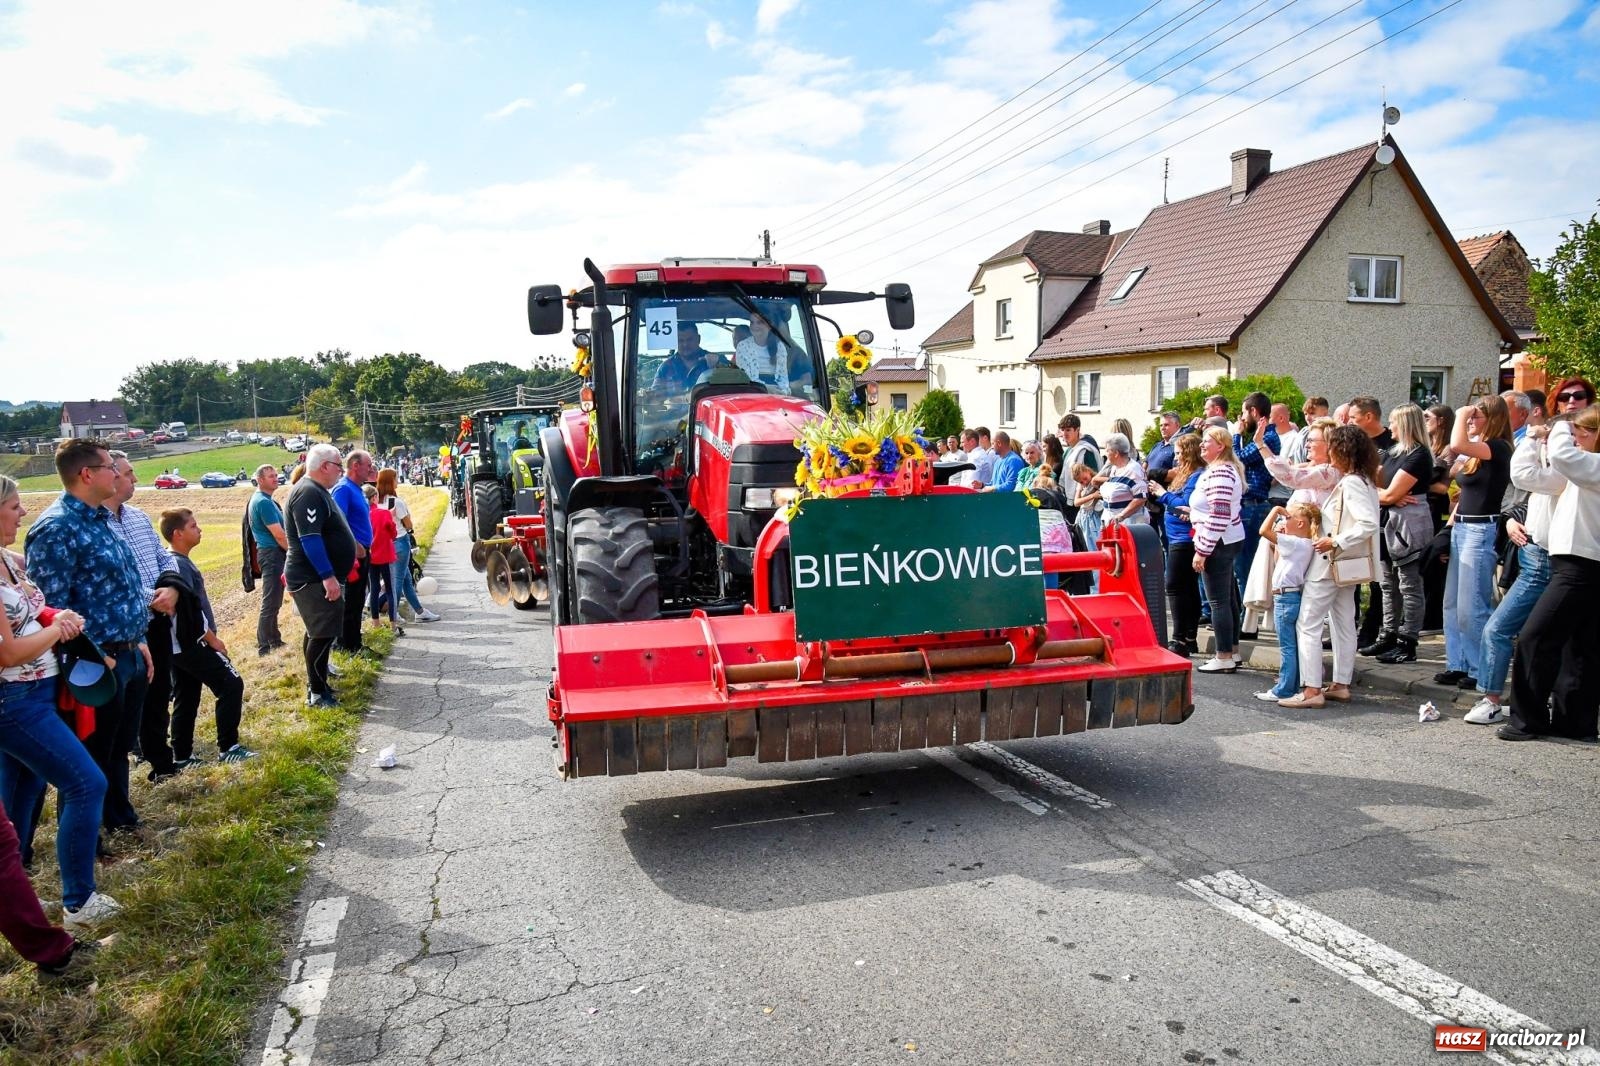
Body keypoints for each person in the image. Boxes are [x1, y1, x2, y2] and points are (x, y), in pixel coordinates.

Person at [0, 475, 119, 935]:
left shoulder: (12, 561)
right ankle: (79, 901)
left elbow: (32, 610)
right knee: (86, 783)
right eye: (13, 506)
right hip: (15, 700)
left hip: (39, 692)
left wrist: (55, 616)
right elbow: (8, 653)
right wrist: (58, 630)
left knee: (22, 796)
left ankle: (18, 891)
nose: (22, 514)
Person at [23, 439, 154, 840]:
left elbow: (126, 587)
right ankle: (87, 841)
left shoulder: (100, 519)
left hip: (128, 651)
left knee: (118, 747)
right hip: (95, 665)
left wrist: (140, 638)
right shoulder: (56, 529)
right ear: (87, 475)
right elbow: (49, 610)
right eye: (109, 467)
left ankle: (120, 818)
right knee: (89, 759)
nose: (117, 474)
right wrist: (95, 658)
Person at [1501, 406, 1600, 742]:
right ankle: (1575, 723)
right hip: (1572, 564)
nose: (1576, 436)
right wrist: (1530, 440)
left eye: (1583, 431)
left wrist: (1557, 429)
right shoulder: (1583, 468)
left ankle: (1527, 721)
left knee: (1535, 637)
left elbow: (1563, 455)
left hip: (1583, 565)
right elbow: (1526, 477)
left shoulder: (1592, 465)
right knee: (1580, 646)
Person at [1464, 411, 1569, 725]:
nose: (1545, 440)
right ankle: (1519, 700)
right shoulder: (1549, 464)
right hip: (1530, 554)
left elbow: (1523, 475)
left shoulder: (1569, 468)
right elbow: (1515, 497)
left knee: (1499, 629)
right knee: (1531, 636)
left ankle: (1492, 698)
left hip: (1547, 562)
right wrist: (1510, 520)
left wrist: (1533, 440)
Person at [1279, 426, 1380, 709]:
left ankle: (1312, 690)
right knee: (1343, 622)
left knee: (1308, 623)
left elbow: (1368, 523)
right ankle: (1340, 683)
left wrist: (1335, 540)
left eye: (1334, 446)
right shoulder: (1365, 480)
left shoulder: (1351, 483)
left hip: (1330, 561)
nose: (1330, 451)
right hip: (1345, 565)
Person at [103, 452, 184, 783]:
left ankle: (161, 761)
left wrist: (172, 589)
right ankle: (135, 753)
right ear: (110, 477)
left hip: (159, 620)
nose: (135, 479)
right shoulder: (97, 526)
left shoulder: (137, 517)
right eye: (128, 473)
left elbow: (165, 558)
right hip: (129, 626)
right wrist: (154, 599)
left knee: (160, 690)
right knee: (133, 698)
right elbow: (112, 582)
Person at [158, 510, 253, 763]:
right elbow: (188, 612)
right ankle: (228, 748)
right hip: (191, 643)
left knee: (187, 696)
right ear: (177, 534)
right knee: (231, 684)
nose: (200, 530)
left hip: (179, 647)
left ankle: (182, 756)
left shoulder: (177, 561)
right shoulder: (178, 564)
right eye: (193, 526)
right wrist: (212, 640)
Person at [1434, 395, 1514, 690]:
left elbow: (1456, 445)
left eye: (1477, 416)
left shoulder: (1498, 448)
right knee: (1452, 602)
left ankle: (1481, 668)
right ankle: (1458, 663)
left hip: (1481, 530)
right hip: (1462, 527)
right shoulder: (1479, 451)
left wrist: (1461, 414)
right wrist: (1447, 531)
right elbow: (1452, 465)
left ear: (1493, 418)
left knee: (1472, 605)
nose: (1470, 420)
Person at [286, 444, 359, 708]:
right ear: (325, 466)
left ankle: (319, 684)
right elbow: (310, 539)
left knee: (319, 632)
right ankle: (316, 693)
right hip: (312, 577)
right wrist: (328, 576)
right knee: (321, 635)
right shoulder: (307, 493)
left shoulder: (317, 491)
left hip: (317, 576)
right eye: (339, 466)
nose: (341, 471)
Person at [1362, 404, 1433, 664]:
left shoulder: (1418, 455)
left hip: (1407, 527)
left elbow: (1387, 493)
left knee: (1409, 584)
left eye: (1393, 422)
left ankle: (1408, 641)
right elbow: (1372, 486)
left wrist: (1386, 497)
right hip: (1387, 523)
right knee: (1387, 584)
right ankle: (1388, 634)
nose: (1389, 427)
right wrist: (1387, 498)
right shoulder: (1393, 452)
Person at [1254, 501, 1321, 703]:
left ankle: (1283, 689)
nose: (1284, 520)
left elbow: (1263, 530)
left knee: (1287, 646)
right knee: (1290, 645)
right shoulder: (1301, 543)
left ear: (1300, 523)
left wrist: (1275, 511)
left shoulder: (1296, 543)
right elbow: (1277, 558)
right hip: (1288, 595)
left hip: (1285, 597)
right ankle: (1290, 685)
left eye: (1287, 517)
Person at [1191, 427, 1246, 673]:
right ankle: (1232, 651)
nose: (1201, 445)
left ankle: (1223, 655)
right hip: (1226, 538)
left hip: (1218, 541)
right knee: (1228, 599)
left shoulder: (1221, 472)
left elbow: (1219, 513)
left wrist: (1202, 550)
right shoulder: (1222, 469)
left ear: (1220, 446)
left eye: (1206, 442)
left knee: (1218, 602)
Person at [1151, 433, 1203, 655]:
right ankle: (1189, 638)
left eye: (1180, 453)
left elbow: (1184, 505)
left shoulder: (1196, 476)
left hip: (1184, 537)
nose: (1176, 458)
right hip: (1175, 536)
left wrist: (1163, 494)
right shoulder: (1183, 474)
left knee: (1174, 585)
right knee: (1188, 587)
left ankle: (1179, 638)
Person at [375, 469, 440, 623]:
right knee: (398, 580)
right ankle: (393, 613)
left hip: (386, 543)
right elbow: (408, 524)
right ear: (390, 481)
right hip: (400, 541)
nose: (397, 481)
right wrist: (408, 523)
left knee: (406, 580)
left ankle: (419, 611)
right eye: (396, 478)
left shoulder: (377, 502)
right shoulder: (396, 502)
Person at [332, 450, 375, 655]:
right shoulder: (343, 489)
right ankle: (347, 644)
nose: (371, 468)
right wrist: (355, 543)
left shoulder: (357, 489)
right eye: (368, 464)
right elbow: (338, 521)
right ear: (355, 465)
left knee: (358, 599)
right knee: (350, 600)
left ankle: (355, 641)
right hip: (352, 555)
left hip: (362, 551)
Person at [249, 464, 289, 657]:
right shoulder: (263, 502)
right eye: (271, 476)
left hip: (272, 553)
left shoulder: (266, 500)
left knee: (275, 599)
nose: (276, 478)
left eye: (276, 475)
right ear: (260, 480)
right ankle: (264, 644)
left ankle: (274, 638)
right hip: (271, 554)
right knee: (271, 600)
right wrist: (295, 552)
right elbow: (279, 536)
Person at [364, 484, 402, 635]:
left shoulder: (363, 514)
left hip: (371, 555)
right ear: (374, 498)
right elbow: (393, 534)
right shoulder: (384, 513)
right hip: (385, 555)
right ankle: (393, 624)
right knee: (390, 589)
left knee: (374, 589)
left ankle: (376, 623)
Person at [1094, 434, 1147, 524]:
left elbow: (1141, 498)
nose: (1106, 454)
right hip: (1111, 523)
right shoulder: (1115, 468)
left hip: (1128, 524)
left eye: (1107, 451)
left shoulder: (1133, 470)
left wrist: (1122, 515)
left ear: (1116, 453)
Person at [651, 321, 713, 393]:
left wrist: (715, 368)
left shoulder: (717, 361)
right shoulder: (665, 368)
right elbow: (655, 397)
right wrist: (649, 396)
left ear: (698, 339)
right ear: (675, 342)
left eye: (689, 340)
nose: (685, 344)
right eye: (680, 340)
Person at [734, 313, 789, 391]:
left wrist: (784, 391)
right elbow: (746, 378)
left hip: (777, 393)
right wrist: (767, 389)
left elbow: (783, 377)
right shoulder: (742, 346)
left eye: (759, 322)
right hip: (753, 393)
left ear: (769, 326)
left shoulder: (779, 347)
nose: (754, 326)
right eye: (752, 323)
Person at [1070, 463, 1104, 589]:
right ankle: (1090, 586)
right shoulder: (1082, 485)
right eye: (1081, 481)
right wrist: (1092, 495)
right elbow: (1076, 502)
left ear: (1088, 471)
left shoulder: (1096, 481)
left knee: (1094, 551)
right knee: (1085, 550)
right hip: (1083, 519)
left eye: (1085, 478)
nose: (1084, 482)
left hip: (1093, 520)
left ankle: (1097, 587)